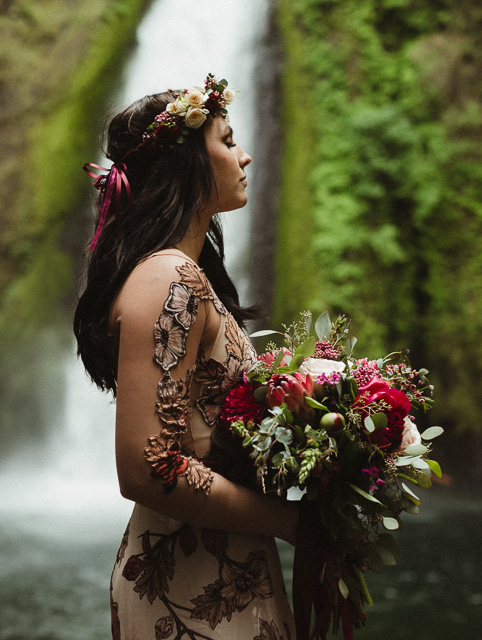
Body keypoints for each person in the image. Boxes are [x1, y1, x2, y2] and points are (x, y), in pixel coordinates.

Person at [74, 75, 300, 639]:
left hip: (220, 569)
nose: (244, 155)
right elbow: (149, 468)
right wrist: (293, 522)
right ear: (189, 166)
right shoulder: (168, 276)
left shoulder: (187, 276)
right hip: (188, 585)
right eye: (227, 140)